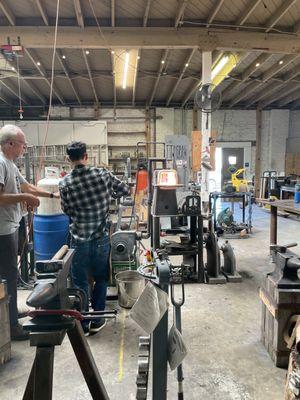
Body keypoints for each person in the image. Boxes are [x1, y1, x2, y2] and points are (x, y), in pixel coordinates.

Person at [59, 141, 129, 336]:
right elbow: (125, 190)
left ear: (68, 159)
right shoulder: (102, 174)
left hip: (78, 240)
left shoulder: (64, 183)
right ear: (86, 156)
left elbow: (66, 210)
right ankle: (97, 319)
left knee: (80, 282)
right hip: (100, 239)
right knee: (100, 279)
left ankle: (83, 323)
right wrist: (108, 194)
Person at [0, 124, 59, 340]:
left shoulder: (12, 166)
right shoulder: (0, 163)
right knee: (8, 275)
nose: (24, 148)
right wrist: (25, 199)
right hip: (2, 230)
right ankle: (12, 326)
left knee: (11, 274)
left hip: (11, 225)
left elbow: (28, 188)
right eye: (23, 144)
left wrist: (52, 196)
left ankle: (11, 312)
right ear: (11, 143)